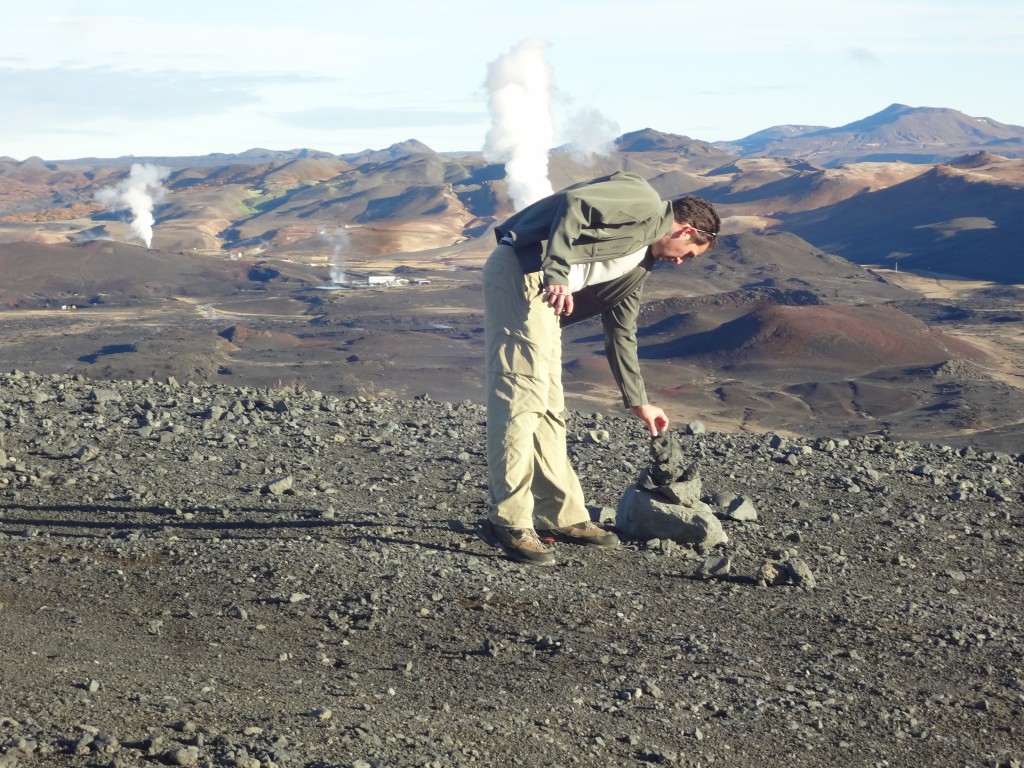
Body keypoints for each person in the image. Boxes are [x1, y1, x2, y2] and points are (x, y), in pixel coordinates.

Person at [482, 170, 720, 565]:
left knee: (550, 409)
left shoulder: (639, 265)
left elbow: (622, 333)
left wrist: (639, 402)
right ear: (686, 229)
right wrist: (558, 275)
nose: (681, 261)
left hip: (544, 292)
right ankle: (508, 519)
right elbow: (576, 206)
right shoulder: (642, 198)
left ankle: (560, 515)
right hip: (522, 273)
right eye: (688, 253)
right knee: (522, 398)